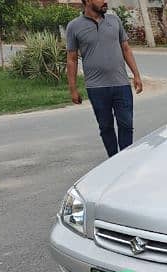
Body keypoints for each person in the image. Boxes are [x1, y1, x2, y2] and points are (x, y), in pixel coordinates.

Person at [66, 0, 143, 157]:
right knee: (106, 127)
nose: (105, 1)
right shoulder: (74, 26)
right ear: (87, 1)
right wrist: (73, 89)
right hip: (97, 88)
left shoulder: (114, 21)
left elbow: (126, 48)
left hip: (121, 84)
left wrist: (136, 75)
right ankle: (113, 160)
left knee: (126, 124)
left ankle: (126, 159)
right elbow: (72, 59)